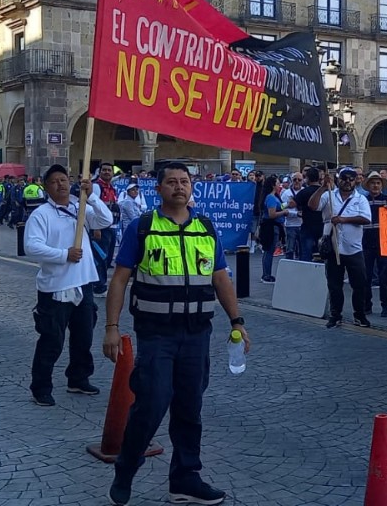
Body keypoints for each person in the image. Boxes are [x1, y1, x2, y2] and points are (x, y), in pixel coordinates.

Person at [102, 162, 249, 506]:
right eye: (171, 182)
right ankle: (126, 467)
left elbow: (220, 278)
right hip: (156, 334)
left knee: (189, 407)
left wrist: (237, 321)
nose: (179, 187)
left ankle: (185, 478)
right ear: (159, 189)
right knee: (151, 403)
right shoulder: (142, 228)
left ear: (191, 188)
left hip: (197, 333)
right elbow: (120, 279)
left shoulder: (206, 228)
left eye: (184, 181)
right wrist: (111, 328)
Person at [24, 164, 113, 406]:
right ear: (46, 187)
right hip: (55, 287)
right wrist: (64, 254)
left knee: (83, 336)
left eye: (63, 179)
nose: (60, 184)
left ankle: (78, 378)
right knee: (52, 340)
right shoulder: (41, 214)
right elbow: (32, 246)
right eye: (54, 181)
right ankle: (41, 387)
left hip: (83, 283)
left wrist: (92, 195)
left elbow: (106, 220)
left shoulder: (78, 206)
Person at [308, 167, 372, 328]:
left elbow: (366, 219)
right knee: (334, 284)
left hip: (353, 249)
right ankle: (335, 315)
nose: (348, 182)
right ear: (338, 180)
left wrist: (343, 219)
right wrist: (323, 187)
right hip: (333, 248)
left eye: (351, 179)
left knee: (359, 284)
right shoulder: (329, 195)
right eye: (344, 178)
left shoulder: (360, 199)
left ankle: (360, 315)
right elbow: (312, 206)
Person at [362, 172, 387, 317]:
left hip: (384, 243)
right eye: (373, 183)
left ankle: (386, 306)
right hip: (366, 243)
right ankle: (366, 305)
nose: (375, 185)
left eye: (378, 183)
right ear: (368, 185)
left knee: (386, 276)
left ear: (382, 185)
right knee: (365, 276)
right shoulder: (362, 200)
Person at [91, 163, 120, 297]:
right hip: (101, 228)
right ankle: (98, 287)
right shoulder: (97, 187)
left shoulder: (112, 188)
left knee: (107, 258)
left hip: (111, 227)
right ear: (100, 172)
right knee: (100, 257)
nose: (107, 172)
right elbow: (92, 206)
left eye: (109, 170)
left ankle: (100, 283)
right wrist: (96, 227)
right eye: (104, 170)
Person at [259, 175, 288, 283]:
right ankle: (266, 274)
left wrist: (286, 205)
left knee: (269, 250)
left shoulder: (273, 197)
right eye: (277, 183)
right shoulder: (271, 197)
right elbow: (272, 214)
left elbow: (278, 207)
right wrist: (284, 212)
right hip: (271, 226)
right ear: (273, 185)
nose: (279, 185)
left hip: (274, 226)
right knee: (269, 250)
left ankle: (266, 274)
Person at [294, 167, 323, 262]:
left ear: (307, 178)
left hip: (307, 227)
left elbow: (292, 204)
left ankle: (305, 275)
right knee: (322, 254)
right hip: (323, 227)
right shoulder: (325, 192)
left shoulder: (304, 192)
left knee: (306, 255)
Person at [281, 172, 303, 260]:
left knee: (303, 249)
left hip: (302, 224)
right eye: (295, 179)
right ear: (291, 181)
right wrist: (288, 204)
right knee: (290, 249)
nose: (297, 181)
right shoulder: (286, 193)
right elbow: (281, 207)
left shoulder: (305, 191)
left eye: (299, 180)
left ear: (303, 181)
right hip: (290, 225)